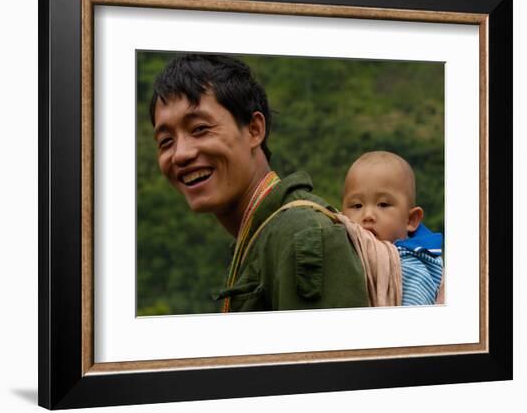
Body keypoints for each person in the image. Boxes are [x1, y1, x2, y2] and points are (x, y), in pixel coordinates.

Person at [150, 53, 369, 312]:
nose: (181, 154)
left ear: (254, 130)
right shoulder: (260, 236)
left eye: (200, 129)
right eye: (166, 142)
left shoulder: (301, 234)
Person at [341, 151, 444, 305]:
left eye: (383, 204)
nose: (368, 215)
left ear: (410, 219)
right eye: (357, 205)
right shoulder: (341, 248)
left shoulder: (410, 267)